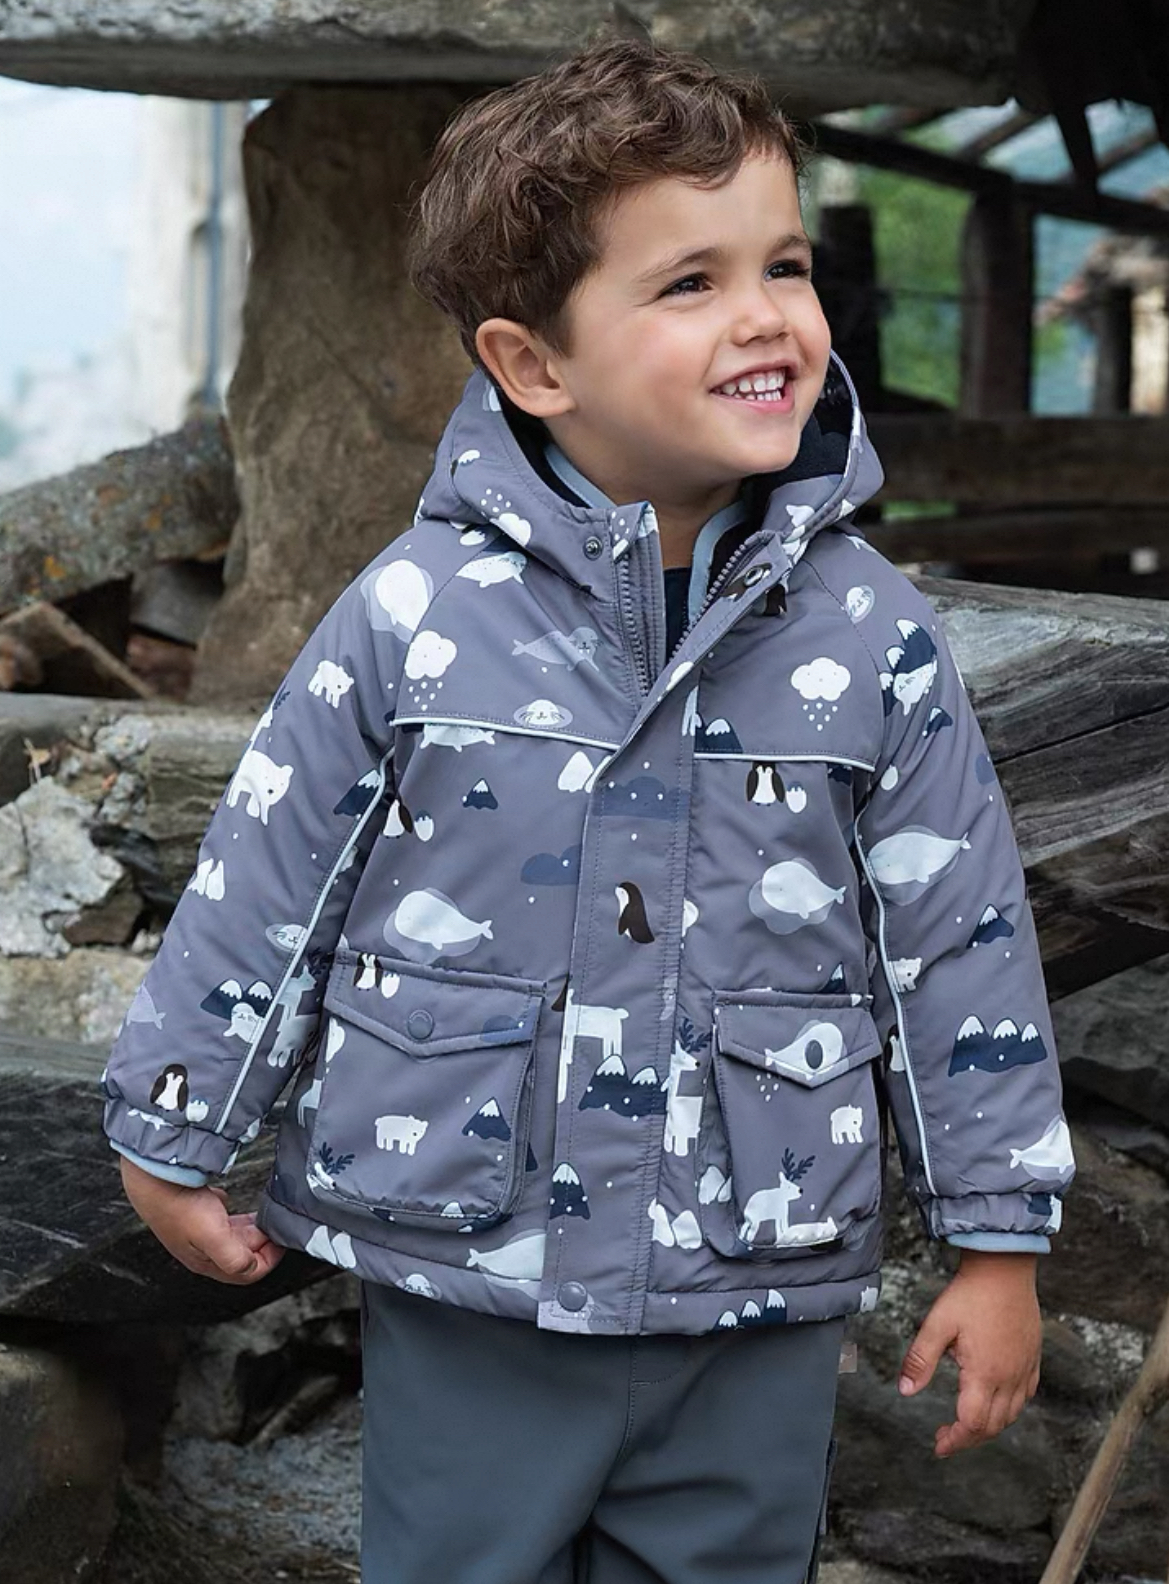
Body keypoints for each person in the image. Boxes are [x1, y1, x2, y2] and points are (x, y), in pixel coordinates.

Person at [104, 35, 1074, 1583]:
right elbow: (270, 880)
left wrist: (997, 1240)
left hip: (752, 1266)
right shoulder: (416, 613)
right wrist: (172, 1127)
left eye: (782, 264)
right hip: (470, 1260)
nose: (764, 316)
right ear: (532, 364)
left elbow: (959, 940)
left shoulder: (870, 634)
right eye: (687, 282)